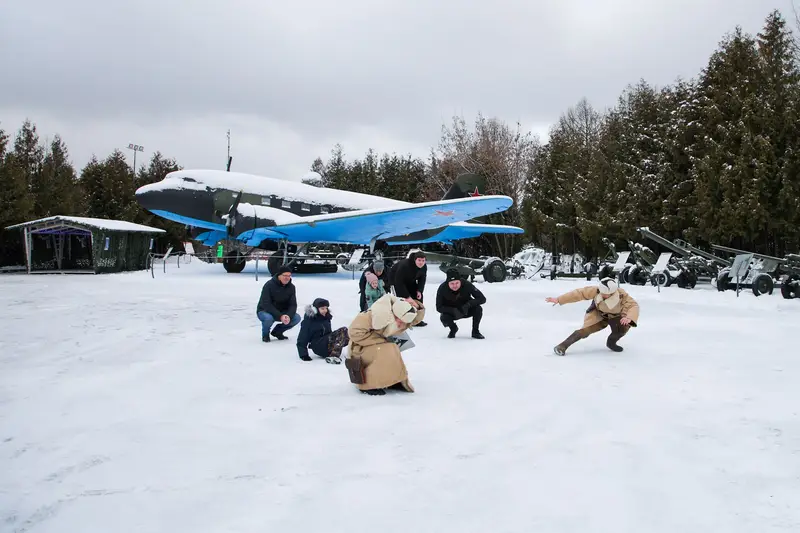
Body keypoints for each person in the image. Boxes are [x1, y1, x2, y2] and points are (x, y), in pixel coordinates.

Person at [345, 293, 425, 396]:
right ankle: (368, 385)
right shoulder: (373, 315)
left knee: (391, 349)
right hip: (359, 347)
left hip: (377, 344)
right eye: (399, 321)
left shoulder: (401, 314)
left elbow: (414, 320)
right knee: (386, 350)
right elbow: (353, 332)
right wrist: (379, 341)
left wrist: (417, 307)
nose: (401, 324)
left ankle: (392, 380)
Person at [545, 277, 639, 355]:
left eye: (606, 294)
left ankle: (611, 342)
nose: (603, 295)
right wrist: (559, 299)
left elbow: (633, 306)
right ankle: (562, 346)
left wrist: (628, 317)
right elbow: (579, 293)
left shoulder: (622, 296)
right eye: (602, 293)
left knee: (622, 329)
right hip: (599, 315)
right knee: (584, 331)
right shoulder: (596, 291)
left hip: (617, 317)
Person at [435, 268, 486, 339]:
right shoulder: (442, 288)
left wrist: (469, 304)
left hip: (466, 309)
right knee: (444, 317)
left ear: (460, 281)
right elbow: (439, 307)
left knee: (478, 309)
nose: (455, 286)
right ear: (447, 283)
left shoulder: (467, 284)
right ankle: (453, 329)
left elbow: (482, 299)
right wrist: (453, 310)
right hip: (452, 312)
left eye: (457, 283)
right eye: (452, 283)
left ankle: (475, 331)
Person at [296, 298, 350, 363]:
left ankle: (356, 352)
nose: (325, 310)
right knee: (343, 330)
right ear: (315, 309)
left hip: (327, 343)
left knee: (348, 332)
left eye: (326, 308)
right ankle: (333, 356)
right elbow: (302, 338)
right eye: (322, 309)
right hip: (318, 346)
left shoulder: (326, 317)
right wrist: (303, 355)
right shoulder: (309, 321)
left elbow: (329, 334)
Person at [256, 265, 301, 342]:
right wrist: (280, 316)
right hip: (265, 310)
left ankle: (278, 332)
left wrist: (288, 315)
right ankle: (265, 335)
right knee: (268, 318)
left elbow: (293, 304)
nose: (287, 278)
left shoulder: (291, 287)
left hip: (282, 312)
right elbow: (266, 304)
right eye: (285, 275)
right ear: (279, 275)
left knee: (296, 318)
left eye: (289, 276)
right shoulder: (269, 285)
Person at [388, 249, 428, 326]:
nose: (421, 263)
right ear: (415, 260)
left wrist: (419, 290)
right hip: (395, 280)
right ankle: (401, 319)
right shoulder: (405, 266)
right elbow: (399, 282)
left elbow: (422, 278)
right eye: (419, 260)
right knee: (401, 300)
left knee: (418, 297)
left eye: (423, 260)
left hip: (410, 281)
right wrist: (407, 296)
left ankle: (416, 320)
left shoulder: (424, 267)